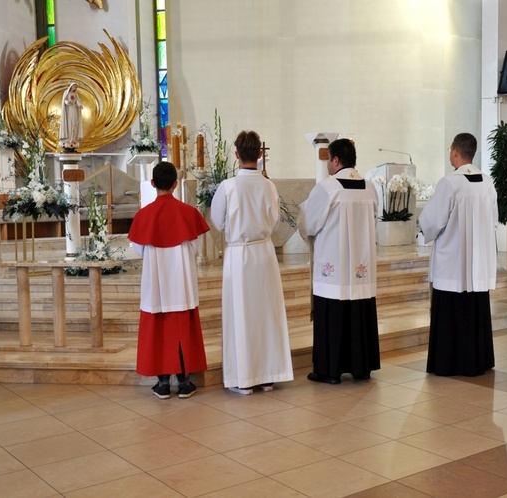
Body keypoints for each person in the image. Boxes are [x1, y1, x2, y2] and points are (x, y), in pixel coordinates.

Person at [210, 130, 293, 395]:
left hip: (239, 254)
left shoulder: (228, 187)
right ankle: (268, 376)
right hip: (264, 254)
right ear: (259, 154)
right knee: (266, 314)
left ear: (236, 155)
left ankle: (243, 378)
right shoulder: (269, 185)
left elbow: (218, 222)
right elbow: (276, 222)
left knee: (241, 314)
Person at [298, 138, 380, 384]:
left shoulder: (327, 188)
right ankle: (361, 367)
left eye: (328, 160)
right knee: (359, 313)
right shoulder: (369, 187)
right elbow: (374, 221)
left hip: (332, 270)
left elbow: (309, 224)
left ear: (336, 160)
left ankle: (329, 370)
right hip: (360, 268)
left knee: (333, 315)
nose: (327, 166)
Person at [128, 161, 210, 399]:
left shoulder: (143, 216)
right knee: (182, 324)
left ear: (153, 184)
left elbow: (138, 249)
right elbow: (195, 246)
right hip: (182, 281)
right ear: (176, 184)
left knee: (158, 325)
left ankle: (163, 383)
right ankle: (184, 382)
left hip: (155, 281)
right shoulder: (189, 213)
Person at [419, 133, 498, 376]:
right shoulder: (486, 182)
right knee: (475, 309)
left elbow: (432, 221)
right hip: (478, 262)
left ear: (455, 151)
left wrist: (423, 230)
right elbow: (493, 220)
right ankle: (477, 360)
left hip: (452, 262)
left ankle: (449, 362)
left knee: (451, 311)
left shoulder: (450, 183)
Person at [59, 83, 83, 150]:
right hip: (68, 111)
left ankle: (73, 139)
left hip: (74, 110)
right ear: (71, 87)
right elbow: (64, 100)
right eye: (74, 87)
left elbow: (77, 101)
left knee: (74, 125)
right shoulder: (66, 93)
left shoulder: (76, 94)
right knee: (69, 124)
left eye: (75, 87)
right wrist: (67, 102)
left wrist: (79, 105)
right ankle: (68, 139)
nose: (74, 88)